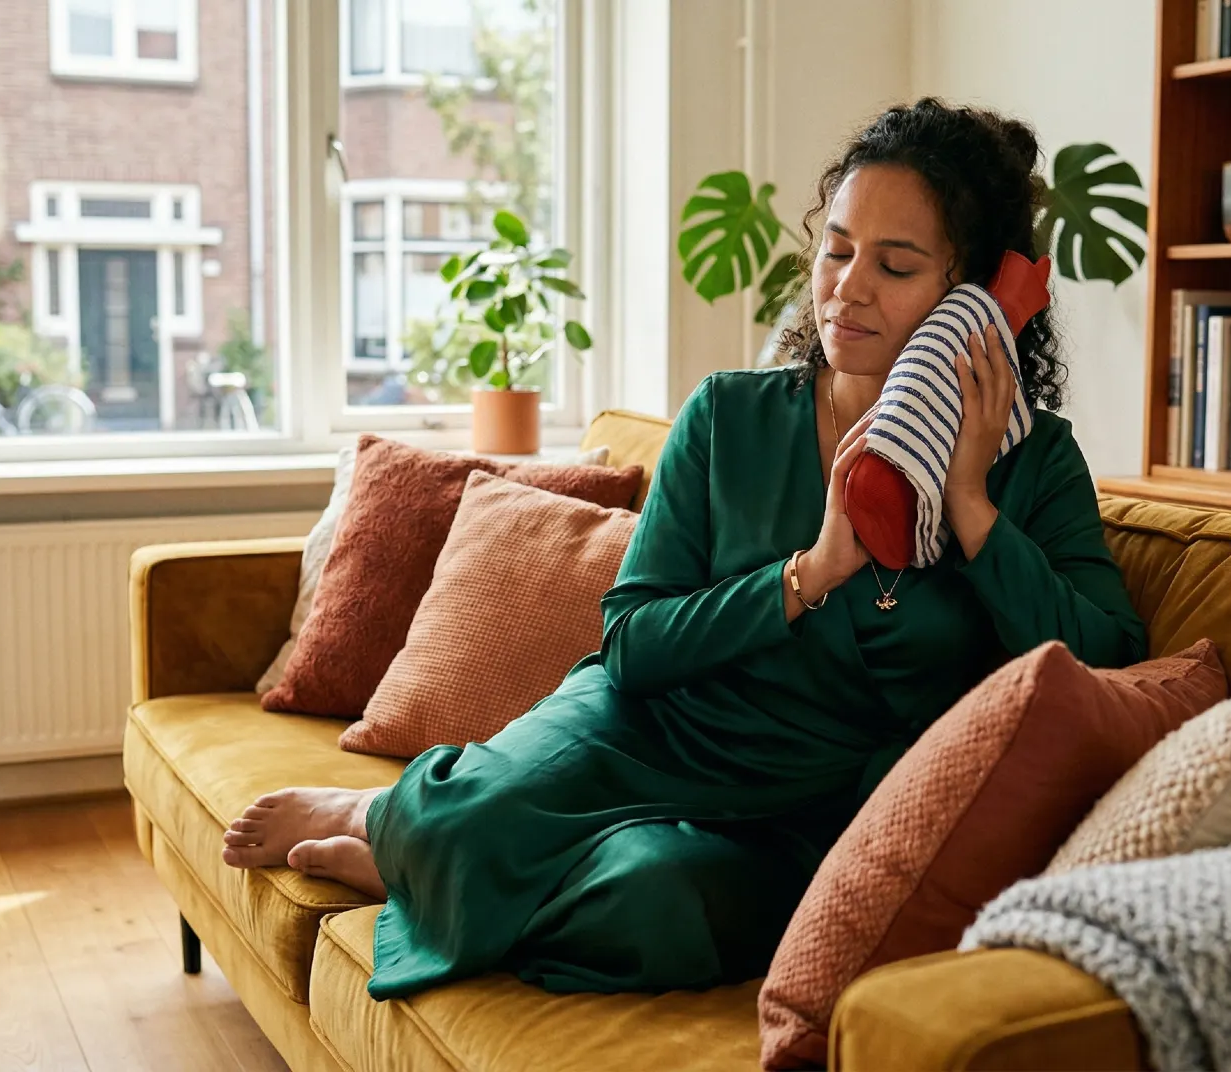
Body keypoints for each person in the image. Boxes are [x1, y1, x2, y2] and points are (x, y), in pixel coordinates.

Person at [221, 98, 1147, 999]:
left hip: (808, 808)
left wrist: (971, 504)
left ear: (977, 302)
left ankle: (441, 864)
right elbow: (633, 641)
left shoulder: (1035, 465)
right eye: (836, 249)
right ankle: (402, 831)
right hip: (650, 724)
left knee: (654, 908)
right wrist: (808, 574)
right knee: (476, 813)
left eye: (896, 266)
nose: (847, 288)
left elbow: (1104, 660)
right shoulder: (728, 415)